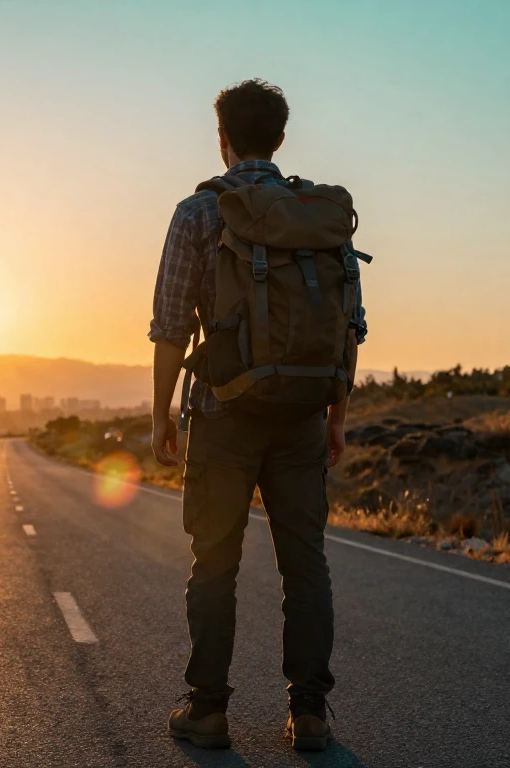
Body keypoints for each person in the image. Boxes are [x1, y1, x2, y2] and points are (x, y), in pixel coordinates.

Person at [149, 79, 367, 752]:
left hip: (222, 414)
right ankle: (310, 714)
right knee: (305, 565)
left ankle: (208, 709)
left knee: (215, 562)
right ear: (279, 137)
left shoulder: (197, 212)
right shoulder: (318, 215)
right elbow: (348, 328)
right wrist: (335, 418)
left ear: (222, 138)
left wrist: (162, 415)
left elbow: (169, 326)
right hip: (302, 415)